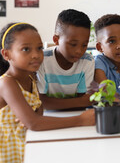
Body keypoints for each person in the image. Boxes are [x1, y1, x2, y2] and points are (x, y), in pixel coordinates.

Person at [0, 22, 94, 162]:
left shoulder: (32, 78)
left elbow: (39, 111)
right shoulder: (7, 83)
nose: (36, 55)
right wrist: (80, 120)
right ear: (6, 54)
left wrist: (32, 117)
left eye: (39, 48)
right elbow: (34, 123)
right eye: (26, 49)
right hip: (8, 150)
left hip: (28, 143)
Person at [37, 9, 95, 110]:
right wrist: (79, 102)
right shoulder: (42, 60)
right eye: (73, 44)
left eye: (84, 45)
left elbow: (84, 101)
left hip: (77, 115)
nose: (79, 51)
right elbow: (42, 102)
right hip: (48, 116)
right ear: (56, 40)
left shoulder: (87, 61)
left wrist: (80, 102)